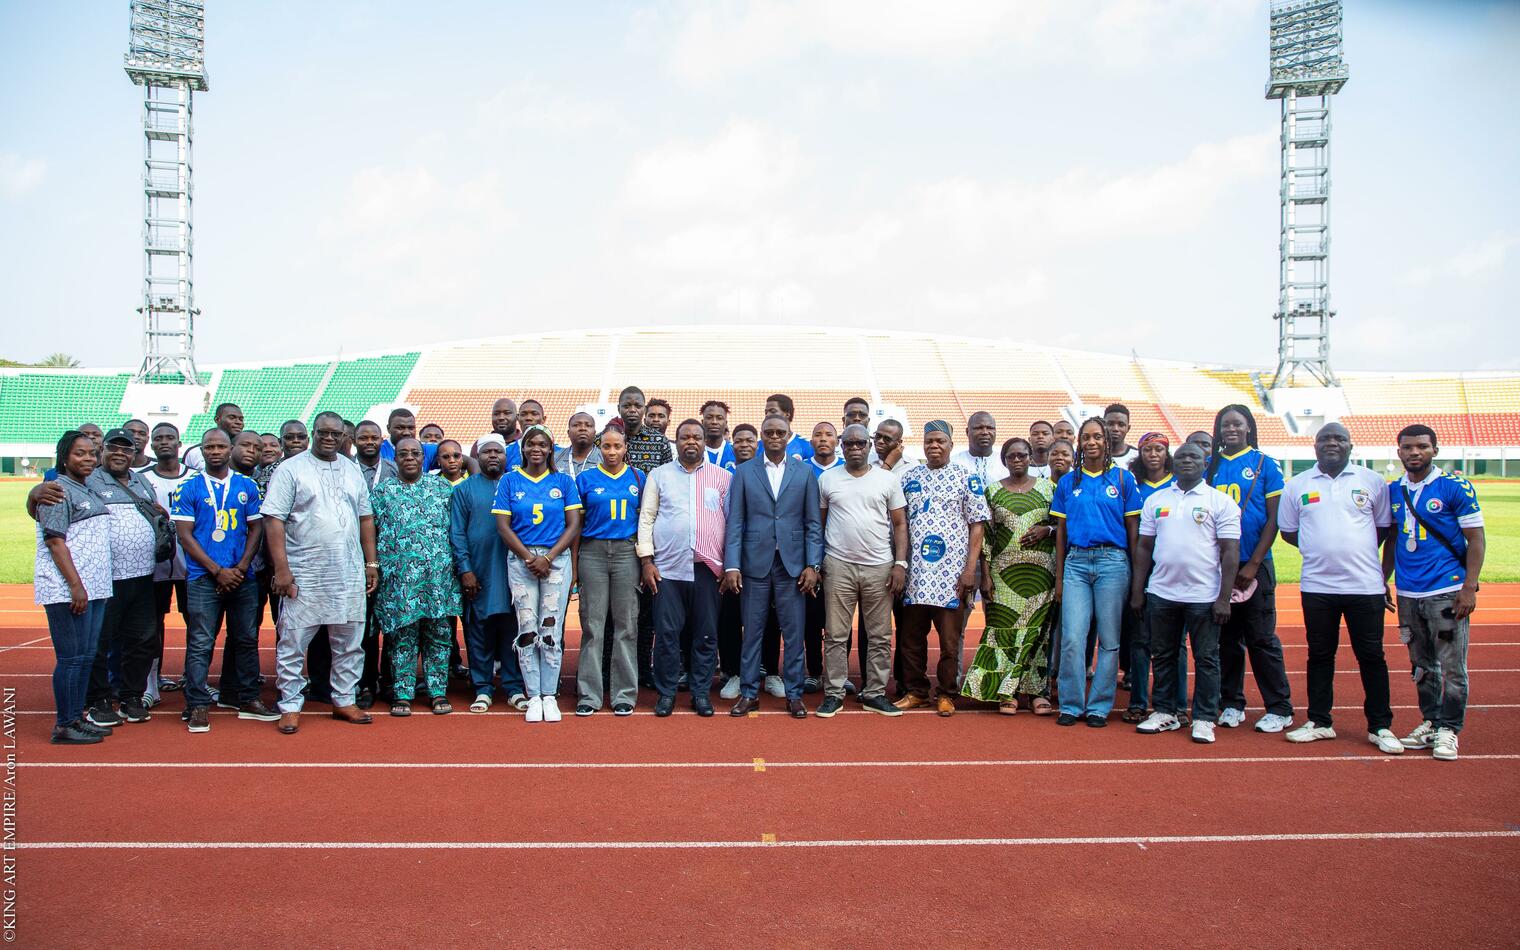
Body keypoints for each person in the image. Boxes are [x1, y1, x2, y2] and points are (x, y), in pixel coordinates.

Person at [1278, 422, 1401, 753]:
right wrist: (1321, 548)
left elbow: (1383, 530)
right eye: (1324, 439)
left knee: (1372, 656)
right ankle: (1319, 722)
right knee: (1319, 654)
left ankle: (1380, 726)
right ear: (1314, 446)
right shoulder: (1297, 485)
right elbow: (1289, 531)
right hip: (1317, 585)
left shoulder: (1372, 482)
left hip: (1364, 586)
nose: (1331, 443)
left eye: (1339, 438)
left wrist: (1366, 563)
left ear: (1350, 445)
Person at [262, 411, 380, 734]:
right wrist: (282, 569)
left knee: (350, 643)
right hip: (305, 573)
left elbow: (365, 518)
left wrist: (371, 564)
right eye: (322, 433)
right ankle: (290, 705)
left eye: (335, 434)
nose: (329, 439)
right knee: (293, 641)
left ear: (344, 437)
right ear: (313, 433)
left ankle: (343, 699)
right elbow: (273, 519)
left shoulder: (352, 470)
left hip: (348, 572)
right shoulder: (290, 469)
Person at [1383, 424, 1486, 761]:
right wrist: (1383, 579)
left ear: (1435, 450)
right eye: (1408, 447)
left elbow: (1476, 539)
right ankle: (1430, 721)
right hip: (1410, 592)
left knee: (1453, 665)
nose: (1415, 452)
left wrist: (1469, 587)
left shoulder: (1454, 486)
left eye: (1422, 446)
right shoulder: (1394, 490)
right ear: (1398, 452)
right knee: (1422, 665)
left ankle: (1449, 729)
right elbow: (1394, 538)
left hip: (1447, 589)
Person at [1131, 442, 1240, 744]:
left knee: (1206, 658)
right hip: (1162, 592)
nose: (1187, 461)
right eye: (1181, 457)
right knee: (1163, 654)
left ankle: (1204, 717)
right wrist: (1139, 591)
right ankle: (1165, 711)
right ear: (1172, 463)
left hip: (1204, 596)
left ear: (1206, 463)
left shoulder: (1221, 502)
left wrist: (1223, 598)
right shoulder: (1156, 500)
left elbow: (1230, 552)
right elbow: (1144, 548)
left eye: (1194, 456)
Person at [172, 428, 279, 732]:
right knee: (201, 642)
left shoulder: (246, 485)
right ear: (202, 450)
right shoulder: (188, 486)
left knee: (246, 639)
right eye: (210, 446)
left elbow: (256, 529)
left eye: (221, 446)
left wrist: (241, 567)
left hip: (242, 577)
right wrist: (217, 570)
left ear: (230, 449)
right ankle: (196, 704)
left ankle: (247, 698)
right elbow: (185, 536)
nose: (215, 451)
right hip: (203, 577)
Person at [724, 414, 821, 718]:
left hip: (793, 566)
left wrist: (812, 564)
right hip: (754, 564)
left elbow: (812, 524)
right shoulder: (744, 472)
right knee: (751, 631)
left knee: (794, 632)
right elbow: (736, 521)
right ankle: (749, 692)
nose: (775, 437)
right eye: (769, 432)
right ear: (762, 437)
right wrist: (732, 565)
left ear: (789, 435)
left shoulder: (804, 473)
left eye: (781, 432)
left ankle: (793, 694)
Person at [1205, 405, 1294, 733]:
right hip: (1219, 565)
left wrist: (1255, 563)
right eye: (1225, 424)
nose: (1230, 429)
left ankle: (1279, 707)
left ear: (1248, 429)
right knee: (1225, 637)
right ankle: (1231, 703)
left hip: (1254, 564)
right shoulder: (1210, 466)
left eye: (1237, 424)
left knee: (1260, 637)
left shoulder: (1263, 463)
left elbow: (1274, 517)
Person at [895, 420, 990, 716]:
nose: (934, 446)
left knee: (949, 641)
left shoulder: (966, 477)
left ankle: (947, 693)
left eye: (940, 441)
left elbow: (977, 526)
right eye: (929, 441)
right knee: (911, 638)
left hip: (952, 576)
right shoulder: (910, 477)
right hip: (916, 575)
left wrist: (969, 569)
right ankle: (916, 691)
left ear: (950, 445)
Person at [637, 420, 732, 717]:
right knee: (666, 635)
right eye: (684, 437)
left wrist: (729, 566)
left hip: (708, 569)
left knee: (705, 634)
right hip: (667, 568)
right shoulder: (659, 475)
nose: (691, 441)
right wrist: (647, 561)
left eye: (697, 437)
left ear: (705, 441)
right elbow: (647, 518)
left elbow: (732, 524)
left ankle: (700, 693)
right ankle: (666, 694)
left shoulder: (723, 477)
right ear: (675, 442)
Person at [1051, 417, 1141, 727]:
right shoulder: (1068, 482)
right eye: (1085, 437)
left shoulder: (1123, 479)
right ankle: (1071, 704)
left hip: (1112, 563)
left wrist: (1135, 575)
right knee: (1074, 638)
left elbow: (1133, 530)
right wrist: (1060, 578)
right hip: (1076, 563)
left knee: (1110, 638)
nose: (1091, 442)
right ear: (1079, 443)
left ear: (1106, 442)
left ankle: (1100, 706)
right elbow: (1061, 533)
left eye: (1097, 437)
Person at [817, 424, 908, 718]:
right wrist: (818, 564)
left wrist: (900, 563)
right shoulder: (827, 479)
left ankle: (875, 693)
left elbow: (899, 524)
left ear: (869, 445)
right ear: (841, 446)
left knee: (880, 635)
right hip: (838, 565)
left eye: (860, 442)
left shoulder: (886, 480)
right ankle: (833, 693)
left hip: (879, 566)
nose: (855, 447)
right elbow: (819, 524)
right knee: (835, 635)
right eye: (849, 443)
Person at [493, 425, 583, 723]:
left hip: (554, 558)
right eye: (531, 444)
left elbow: (573, 525)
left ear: (550, 449)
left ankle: (549, 695)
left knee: (551, 626)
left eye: (542, 444)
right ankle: (533, 695)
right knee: (527, 625)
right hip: (522, 560)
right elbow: (503, 527)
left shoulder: (563, 481)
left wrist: (550, 556)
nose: (537, 449)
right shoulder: (509, 481)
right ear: (523, 448)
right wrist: (530, 557)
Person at [965, 437, 1057, 715]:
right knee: (1004, 633)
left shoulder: (1049, 488)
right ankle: (1008, 691)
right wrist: (986, 576)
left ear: (1030, 457)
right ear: (1003, 460)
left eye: (1022, 455)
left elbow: (1060, 524)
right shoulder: (992, 491)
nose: (1017, 460)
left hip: (1042, 575)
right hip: (1003, 576)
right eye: (1011, 456)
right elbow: (986, 538)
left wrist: (1047, 531)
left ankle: (1037, 692)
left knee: (1038, 635)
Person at [372, 437, 461, 717]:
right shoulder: (382, 492)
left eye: (415, 453)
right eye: (403, 453)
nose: (409, 458)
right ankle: (402, 692)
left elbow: (456, 531)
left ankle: (437, 691)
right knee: (401, 638)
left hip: (438, 579)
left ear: (424, 458)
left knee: (439, 635)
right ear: (394, 458)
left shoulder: (442, 488)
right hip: (399, 581)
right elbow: (371, 531)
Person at [36, 432, 115, 744]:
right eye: (80, 454)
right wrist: (75, 586)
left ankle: (77, 717)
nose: (88, 459)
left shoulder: (87, 486)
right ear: (64, 457)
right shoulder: (56, 490)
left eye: (91, 454)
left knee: (86, 656)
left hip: (93, 588)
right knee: (71, 658)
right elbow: (55, 542)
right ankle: (64, 723)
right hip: (69, 589)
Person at [83, 428, 164, 727]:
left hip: (142, 576)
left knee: (142, 640)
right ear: (102, 449)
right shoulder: (90, 479)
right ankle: (99, 698)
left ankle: (131, 695)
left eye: (126, 449)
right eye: (114, 448)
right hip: (105, 577)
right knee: (101, 641)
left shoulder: (141, 481)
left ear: (134, 453)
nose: (120, 453)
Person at [449, 434, 526, 713]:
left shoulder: (517, 484)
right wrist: (465, 569)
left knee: (512, 630)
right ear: (477, 457)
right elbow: (457, 533)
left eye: (499, 452)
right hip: (479, 570)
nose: (493, 456)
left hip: (514, 571)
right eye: (487, 452)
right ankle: (482, 687)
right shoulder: (464, 490)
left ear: (507, 457)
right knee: (478, 630)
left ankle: (514, 687)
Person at [574, 425, 645, 716]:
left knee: (626, 625)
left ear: (625, 447)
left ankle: (624, 694)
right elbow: (575, 526)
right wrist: (575, 564)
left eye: (617, 446)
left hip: (627, 552)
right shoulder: (586, 479)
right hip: (593, 552)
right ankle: (589, 695)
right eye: (606, 447)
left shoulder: (638, 477)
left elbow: (646, 520)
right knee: (593, 625)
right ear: (599, 448)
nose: (612, 452)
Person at [616, 386, 672, 688]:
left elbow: (667, 487)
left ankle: (643, 667)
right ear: (620, 407)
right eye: (628, 405)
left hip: (650, 534)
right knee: (619, 610)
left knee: (649, 608)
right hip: (617, 533)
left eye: (638, 405)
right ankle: (611, 668)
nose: (633, 410)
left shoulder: (660, 442)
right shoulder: (607, 438)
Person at [137, 422, 195, 705]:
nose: (164, 442)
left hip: (191, 563)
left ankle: (192, 676)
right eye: (158, 438)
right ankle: (152, 682)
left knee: (195, 621)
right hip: (153, 564)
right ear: (151, 444)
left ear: (179, 443)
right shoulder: (140, 479)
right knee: (152, 624)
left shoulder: (195, 476)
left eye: (169, 437)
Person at [1122, 431, 1178, 722]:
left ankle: (1176, 702)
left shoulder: (1179, 485)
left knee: (1174, 643)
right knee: (1140, 639)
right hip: (1142, 568)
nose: (1153, 454)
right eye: (1147, 450)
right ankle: (1138, 701)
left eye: (1158, 449)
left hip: (1173, 571)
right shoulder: (1134, 485)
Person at [716, 423, 759, 697]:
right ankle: (731, 671)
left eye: (749, 441)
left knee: (764, 618)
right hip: (730, 556)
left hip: (761, 558)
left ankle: (768, 670)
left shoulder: (768, 473)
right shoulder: (723, 476)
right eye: (739, 441)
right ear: (732, 444)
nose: (744, 445)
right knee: (729, 616)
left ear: (757, 444)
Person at [952, 411, 1010, 487]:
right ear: (967, 432)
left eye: (990, 428)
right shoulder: (953, 463)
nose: (985, 432)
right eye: (979, 428)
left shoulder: (1007, 463)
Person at [184, 403, 244, 470]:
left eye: (241, 419)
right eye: (232, 418)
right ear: (217, 419)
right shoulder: (194, 453)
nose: (238, 422)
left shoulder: (248, 451)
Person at [763, 394, 815, 461]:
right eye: (766, 412)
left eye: (772, 411)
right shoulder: (758, 446)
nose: (767, 415)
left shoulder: (806, 446)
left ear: (787, 414)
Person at [554, 412, 603, 478]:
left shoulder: (605, 459)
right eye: (576, 425)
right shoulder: (554, 459)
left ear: (594, 433)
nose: (583, 428)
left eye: (588, 425)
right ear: (568, 433)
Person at [355, 421, 399, 489]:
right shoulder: (345, 467)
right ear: (354, 441)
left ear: (381, 441)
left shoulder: (395, 469)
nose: (369, 442)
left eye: (374, 438)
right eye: (363, 438)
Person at [700, 400, 736, 472]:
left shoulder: (735, 452)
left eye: (719, 418)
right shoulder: (694, 451)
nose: (714, 422)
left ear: (725, 423)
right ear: (702, 422)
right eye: (709, 417)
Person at [1104, 404, 1138, 468]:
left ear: (1128, 428)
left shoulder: (1137, 456)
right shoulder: (1089, 456)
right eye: (1110, 424)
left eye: (1121, 425)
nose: (1115, 429)